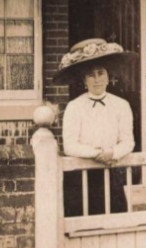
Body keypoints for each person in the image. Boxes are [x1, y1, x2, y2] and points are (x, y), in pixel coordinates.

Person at [54, 37, 136, 217]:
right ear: (84, 80)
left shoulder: (121, 105)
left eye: (101, 73)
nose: (96, 79)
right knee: (81, 227)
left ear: (108, 77)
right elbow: (69, 145)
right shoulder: (75, 106)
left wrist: (112, 153)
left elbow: (128, 142)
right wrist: (96, 153)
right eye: (91, 75)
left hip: (110, 173)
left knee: (114, 224)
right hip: (81, 177)